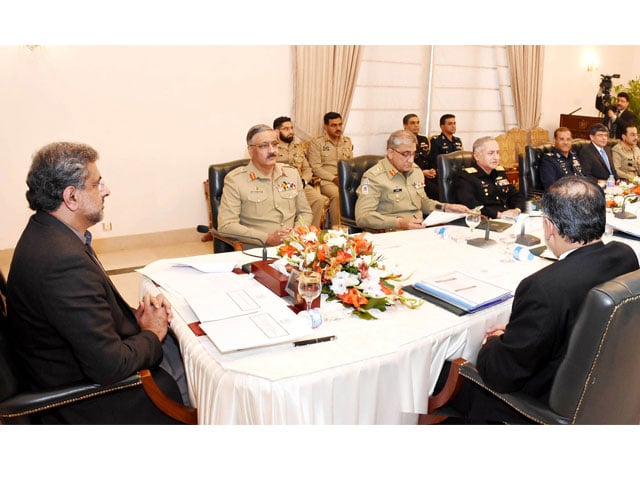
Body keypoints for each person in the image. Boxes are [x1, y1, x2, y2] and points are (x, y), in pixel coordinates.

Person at [6, 141, 188, 424]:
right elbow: (110, 367)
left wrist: (134, 323)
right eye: (97, 183)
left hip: (67, 365)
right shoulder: (62, 262)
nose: (106, 190)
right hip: (87, 397)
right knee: (202, 375)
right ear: (71, 197)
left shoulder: (48, 232)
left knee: (185, 345)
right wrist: (152, 333)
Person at [435, 175, 639, 423]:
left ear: (549, 226)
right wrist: (520, 330)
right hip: (607, 385)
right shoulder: (624, 254)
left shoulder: (543, 287)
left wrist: (495, 342)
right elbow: (580, 318)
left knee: (441, 372)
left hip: (544, 401)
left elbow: (501, 374)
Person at [218, 124, 313, 246]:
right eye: (264, 146)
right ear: (251, 151)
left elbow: (305, 213)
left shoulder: (291, 174)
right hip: (259, 251)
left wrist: (296, 233)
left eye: (274, 144)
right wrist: (266, 238)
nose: (272, 150)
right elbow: (226, 225)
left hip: (293, 247)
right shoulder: (235, 180)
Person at [354, 130, 469, 231]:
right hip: (390, 233)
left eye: (413, 153)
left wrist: (446, 207)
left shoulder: (415, 171)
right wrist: (399, 222)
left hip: (419, 231)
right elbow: (363, 217)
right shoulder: (374, 177)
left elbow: (423, 202)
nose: (411, 160)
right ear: (390, 153)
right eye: (405, 154)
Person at [273, 116, 328, 228]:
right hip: (280, 186)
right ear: (277, 131)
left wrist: (303, 181)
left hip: (300, 184)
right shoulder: (273, 148)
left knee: (319, 199)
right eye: (286, 129)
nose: (291, 132)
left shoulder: (298, 148)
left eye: (291, 128)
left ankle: (311, 233)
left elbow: (307, 169)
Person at [454, 136, 525, 219]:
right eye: (491, 153)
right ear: (477, 156)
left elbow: (515, 195)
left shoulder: (499, 172)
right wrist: (498, 215)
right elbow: (471, 205)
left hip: (508, 219)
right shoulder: (466, 177)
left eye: (497, 153)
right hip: (486, 222)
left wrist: (517, 210)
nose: (496, 157)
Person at [307, 112, 353, 228]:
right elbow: (315, 167)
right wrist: (333, 178)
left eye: (340, 124)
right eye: (334, 125)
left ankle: (355, 226)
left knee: (362, 191)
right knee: (337, 195)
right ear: (325, 127)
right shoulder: (317, 143)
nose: (338, 128)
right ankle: (337, 229)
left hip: (345, 178)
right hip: (327, 180)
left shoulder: (347, 142)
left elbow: (351, 163)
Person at [402, 113, 437, 199]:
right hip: (412, 175)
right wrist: (422, 172)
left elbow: (429, 157)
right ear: (405, 126)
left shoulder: (423, 139)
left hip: (427, 173)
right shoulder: (402, 140)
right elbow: (402, 163)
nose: (416, 125)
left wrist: (432, 170)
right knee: (433, 191)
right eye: (413, 123)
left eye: (418, 122)